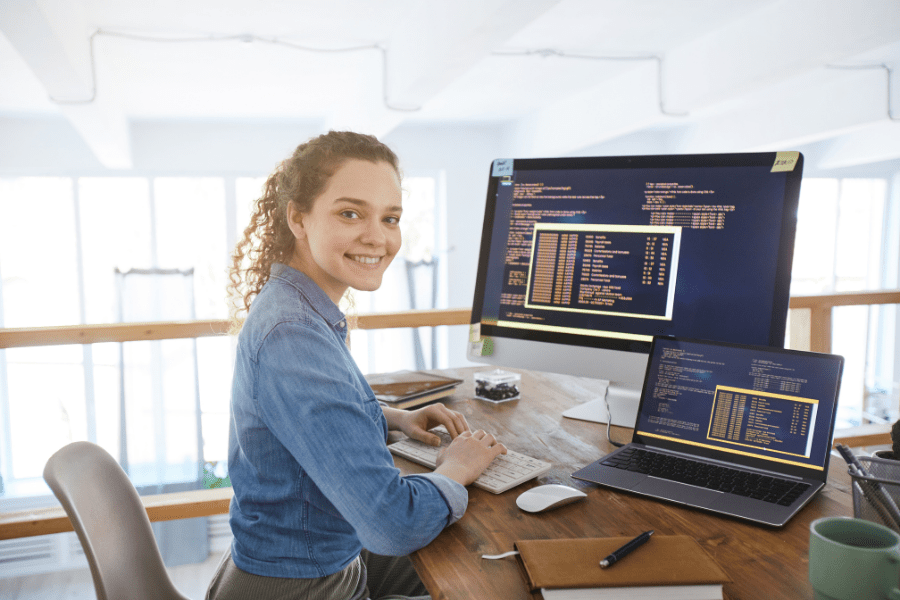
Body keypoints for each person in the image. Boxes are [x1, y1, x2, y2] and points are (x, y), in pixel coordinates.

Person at [206, 131, 507, 600]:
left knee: (479, 567)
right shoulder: (293, 334)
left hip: (306, 562)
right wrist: (455, 469)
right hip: (301, 586)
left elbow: (301, 415)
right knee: (497, 583)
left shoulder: (296, 307)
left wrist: (391, 417)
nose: (378, 237)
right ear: (297, 218)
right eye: (351, 213)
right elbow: (393, 526)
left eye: (391, 218)